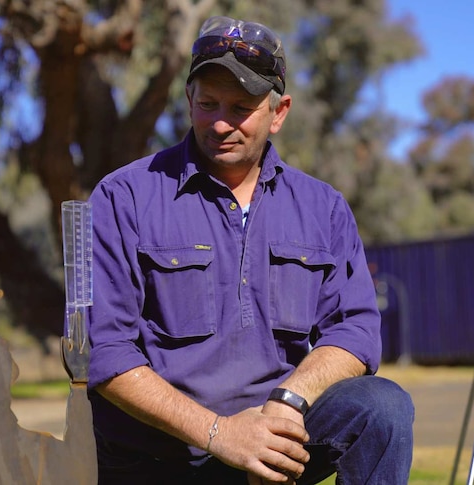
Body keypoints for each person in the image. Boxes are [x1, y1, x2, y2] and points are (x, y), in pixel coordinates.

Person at [86, 15, 414, 484]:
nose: (220, 123)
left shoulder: (323, 207)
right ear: (188, 100)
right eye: (208, 104)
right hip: (161, 457)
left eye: (240, 107)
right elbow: (105, 351)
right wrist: (220, 434)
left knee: (383, 407)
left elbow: (356, 331)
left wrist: (287, 403)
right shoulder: (124, 197)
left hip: (279, 434)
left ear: (278, 112)